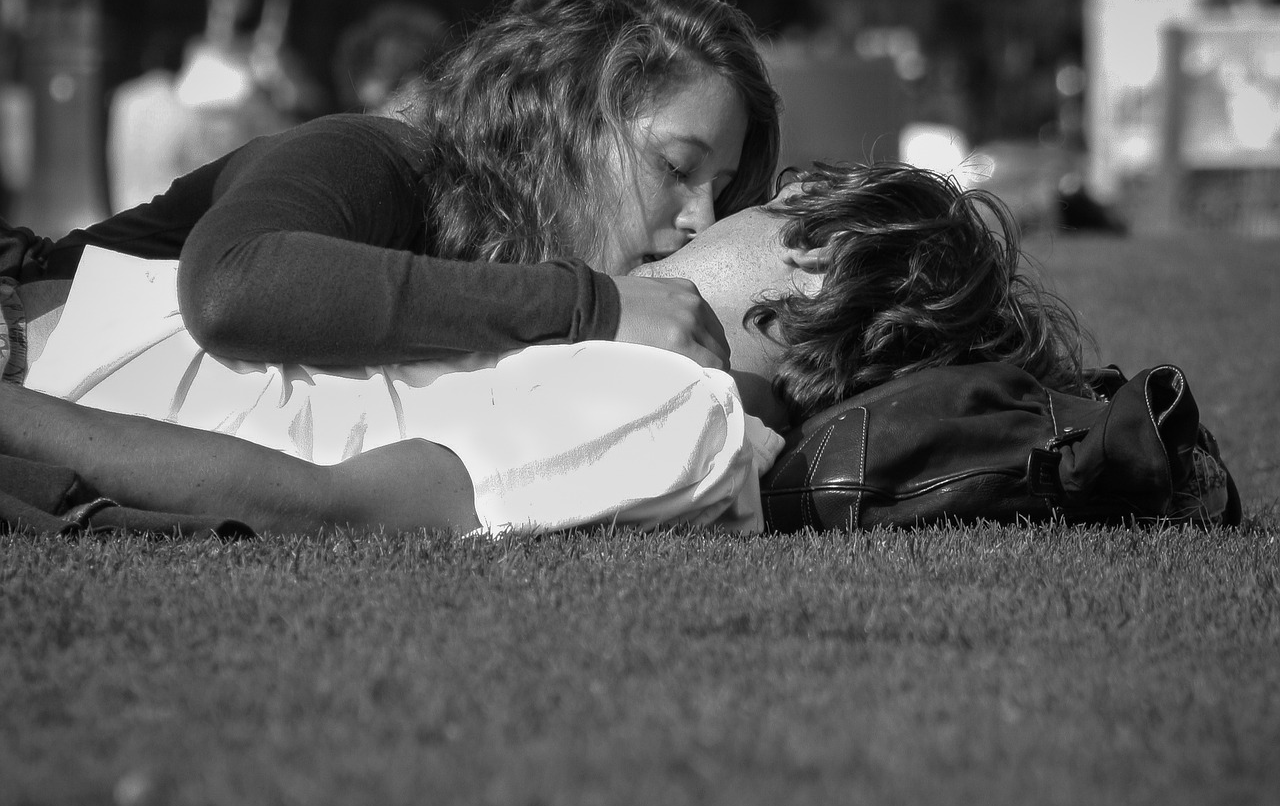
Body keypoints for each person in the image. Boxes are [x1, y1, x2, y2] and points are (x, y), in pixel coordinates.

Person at [2, 163, 1093, 536]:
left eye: (763, 201)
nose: (702, 215)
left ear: (811, 259)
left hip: (49, 383)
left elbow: (327, 500)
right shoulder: (644, 375)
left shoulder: (676, 416)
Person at [1, 0, 779, 375]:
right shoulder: (379, 157)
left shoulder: (485, 255)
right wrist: (593, 307)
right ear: (567, 121)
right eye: (676, 169)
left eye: (720, 190)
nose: (700, 220)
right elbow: (232, 285)